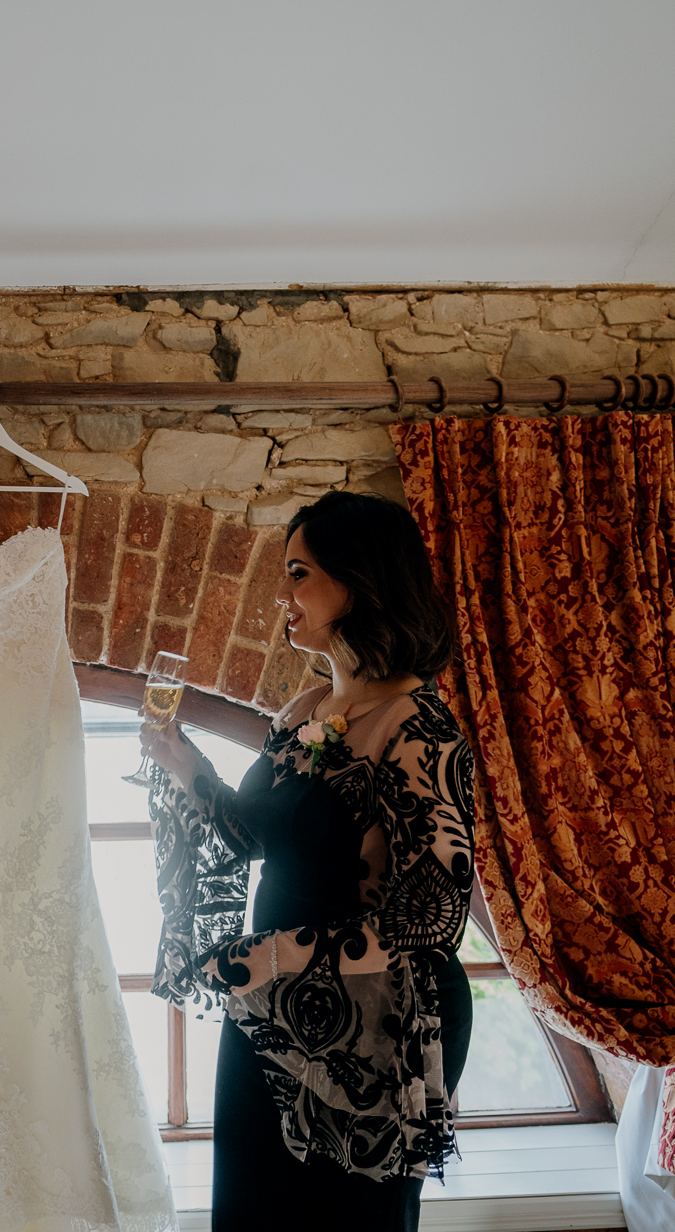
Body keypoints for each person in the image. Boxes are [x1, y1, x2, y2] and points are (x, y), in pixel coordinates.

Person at [140, 491, 475, 1231]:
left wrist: (279, 957)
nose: (283, 594)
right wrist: (180, 759)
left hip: (376, 1024)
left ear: (356, 580)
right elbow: (249, 836)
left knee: (347, 1220)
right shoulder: (304, 712)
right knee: (255, 1210)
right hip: (273, 1010)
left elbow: (437, 916)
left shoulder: (421, 728)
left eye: (300, 573)